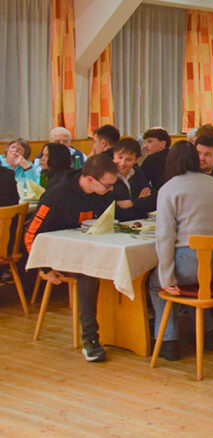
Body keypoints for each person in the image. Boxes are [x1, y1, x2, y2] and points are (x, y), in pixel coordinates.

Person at [24, 154, 118, 362]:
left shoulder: (101, 192)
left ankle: (125, 329)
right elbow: (30, 235)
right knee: (88, 272)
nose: (111, 189)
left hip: (90, 248)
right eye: (108, 185)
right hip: (58, 255)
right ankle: (90, 339)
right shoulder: (57, 195)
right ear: (90, 179)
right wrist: (45, 268)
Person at [148, 142, 213, 361]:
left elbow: (165, 236)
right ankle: (208, 331)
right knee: (199, 285)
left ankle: (168, 340)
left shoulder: (169, 189)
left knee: (157, 282)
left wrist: (167, 277)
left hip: (190, 263)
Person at [110, 139, 156, 221]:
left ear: (136, 160)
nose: (122, 163)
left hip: (138, 224)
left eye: (128, 159)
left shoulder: (138, 174)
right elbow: (114, 211)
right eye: (120, 157)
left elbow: (154, 201)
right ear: (114, 155)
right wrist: (142, 207)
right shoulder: (107, 177)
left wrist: (133, 203)